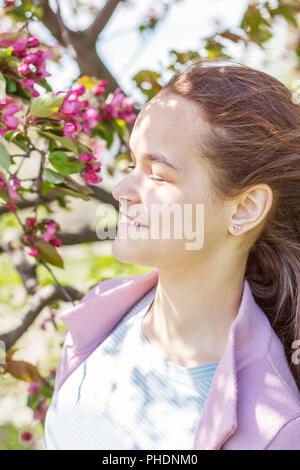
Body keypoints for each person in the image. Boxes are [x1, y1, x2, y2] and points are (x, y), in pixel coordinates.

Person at [43, 60, 300, 450]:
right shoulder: (98, 313)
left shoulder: (273, 429)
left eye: (158, 175)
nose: (122, 189)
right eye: (132, 163)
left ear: (245, 209)